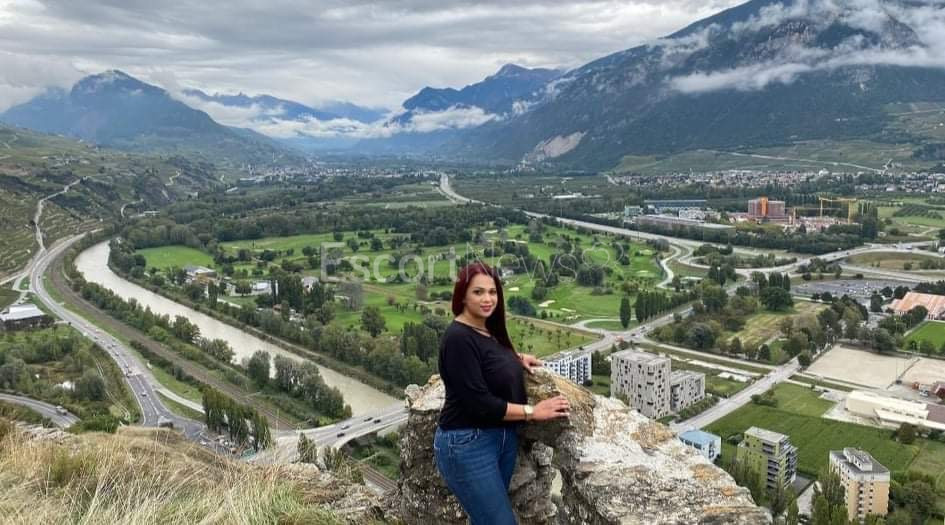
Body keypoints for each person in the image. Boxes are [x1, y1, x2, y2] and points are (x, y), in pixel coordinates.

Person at [434, 262, 571, 524]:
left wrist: (514, 360)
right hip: (467, 444)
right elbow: (479, 403)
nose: (487, 299)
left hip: (500, 437)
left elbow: (486, 357)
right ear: (462, 296)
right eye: (478, 292)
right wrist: (533, 411)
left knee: (484, 519)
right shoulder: (457, 338)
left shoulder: (485, 328)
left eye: (492, 292)